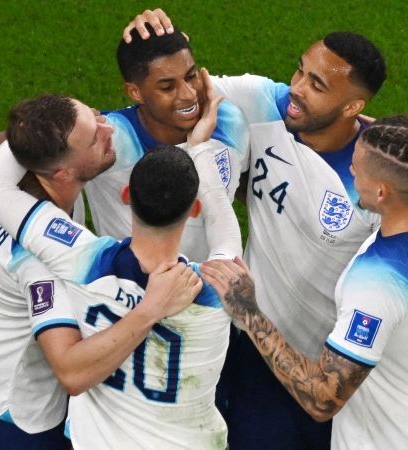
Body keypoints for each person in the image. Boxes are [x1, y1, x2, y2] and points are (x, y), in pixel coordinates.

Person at [126, 10, 386, 448]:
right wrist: (154, 40)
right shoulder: (265, 100)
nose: (297, 90)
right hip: (255, 345)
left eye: (317, 85)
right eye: (301, 71)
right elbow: (179, 91)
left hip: (331, 363)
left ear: (353, 106)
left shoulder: (377, 175)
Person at [202, 116, 408, 450]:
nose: (351, 173)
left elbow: (322, 399)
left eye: (357, 168)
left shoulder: (376, 280)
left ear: (382, 191)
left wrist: (249, 311)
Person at [0, 88, 240, 449]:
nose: (107, 128)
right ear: (194, 209)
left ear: (127, 197)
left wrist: (30, 129)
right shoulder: (217, 289)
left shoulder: (79, 259)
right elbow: (224, 231)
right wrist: (202, 148)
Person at [0, 22, 248, 263]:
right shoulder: (109, 139)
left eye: (190, 76)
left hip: (204, 291)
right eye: (167, 87)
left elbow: (243, 177)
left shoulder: (231, 121)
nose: (188, 95)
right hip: (128, 294)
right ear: (134, 92)